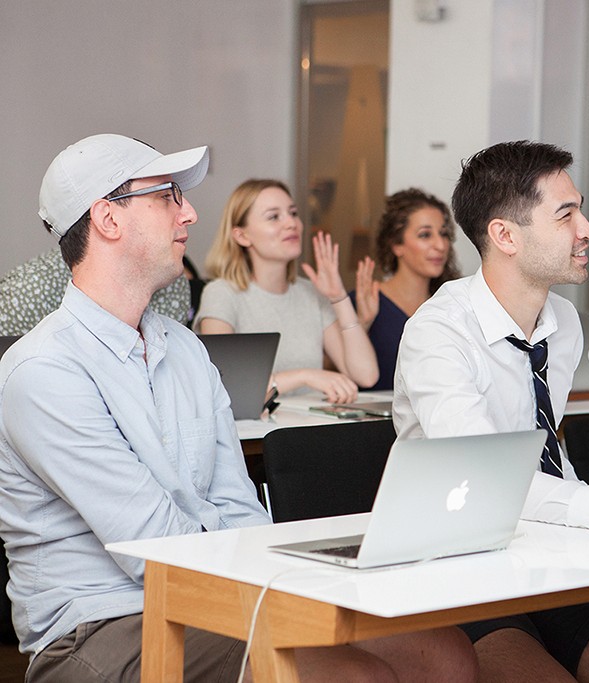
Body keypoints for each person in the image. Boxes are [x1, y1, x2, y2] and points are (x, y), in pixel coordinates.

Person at [0, 134, 474, 682]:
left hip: (209, 590)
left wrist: (297, 581)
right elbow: (152, 551)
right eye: (168, 196)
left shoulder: (187, 351)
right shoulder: (43, 372)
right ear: (108, 218)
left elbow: (242, 511)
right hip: (101, 627)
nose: (191, 213)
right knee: (353, 675)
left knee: (444, 653)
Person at [394, 140, 589, 683]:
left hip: (551, 554)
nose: (586, 229)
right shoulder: (437, 332)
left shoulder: (563, 322)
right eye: (566, 215)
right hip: (463, 567)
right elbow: (487, 478)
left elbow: (544, 450)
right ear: (505, 235)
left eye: (579, 209)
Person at [195, 179, 379, 403]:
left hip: (307, 428)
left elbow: (366, 376)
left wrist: (338, 296)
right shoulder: (221, 293)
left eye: (293, 213)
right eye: (274, 217)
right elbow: (224, 385)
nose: (291, 223)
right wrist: (304, 376)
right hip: (257, 435)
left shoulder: (312, 293)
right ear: (242, 236)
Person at [351, 188, 461, 390]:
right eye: (425, 235)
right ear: (396, 245)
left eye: (444, 234)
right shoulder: (360, 302)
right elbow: (334, 376)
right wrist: (361, 325)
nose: (440, 245)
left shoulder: (453, 305)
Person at [0, 247, 191, 334]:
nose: (188, 214)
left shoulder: (174, 285)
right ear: (107, 218)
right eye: (164, 197)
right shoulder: (24, 294)